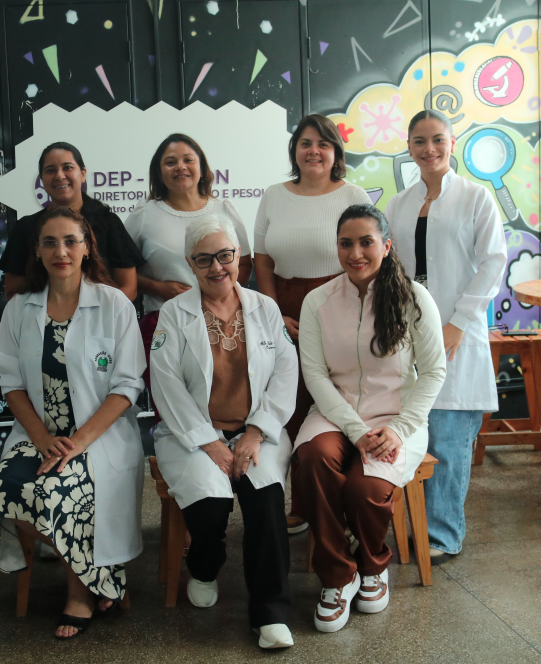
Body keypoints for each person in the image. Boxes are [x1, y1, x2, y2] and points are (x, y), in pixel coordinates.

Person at [0, 206, 145, 640]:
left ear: (87, 247)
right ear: (36, 251)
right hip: (38, 434)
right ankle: (100, 574)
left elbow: (127, 385)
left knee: (60, 492)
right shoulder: (20, 308)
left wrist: (78, 442)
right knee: (7, 491)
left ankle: (79, 594)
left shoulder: (113, 303)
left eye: (71, 241)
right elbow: (10, 382)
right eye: (50, 242)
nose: (61, 251)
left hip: (97, 436)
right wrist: (41, 437)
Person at [294, 204, 445, 633]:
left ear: (386, 245)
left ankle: (373, 566)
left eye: (366, 242)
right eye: (346, 243)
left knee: (366, 490)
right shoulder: (318, 301)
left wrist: (399, 429)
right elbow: (315, 375)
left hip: (397, 417)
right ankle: (338, 577)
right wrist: (356, 430)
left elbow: (434, 371)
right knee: (313, 459)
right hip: (335, 413)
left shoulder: (414, 298)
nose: (355, 253)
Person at [150, 217, 298, 649]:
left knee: (266, 502)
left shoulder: (264, 308)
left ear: (238, 258)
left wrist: (256, 432)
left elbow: (285, 374)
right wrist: (210, 443)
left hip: (256, 432)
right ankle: (204, 566)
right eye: (204, 259)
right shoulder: (175, 313)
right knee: (210, 503)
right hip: (194, 435)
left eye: (224, 256)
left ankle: (271, 614)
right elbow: (166, 384)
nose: (216, 267)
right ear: (189, 263)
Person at [386, 110, 507, 564]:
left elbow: (493, 262)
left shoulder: (476, 198)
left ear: (452, 143)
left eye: (438, 139)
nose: (429, 149)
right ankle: (412, 525)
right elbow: (392, 267)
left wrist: (459, 321)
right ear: (409, 147)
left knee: (450, 438)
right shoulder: (399, 204)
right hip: (408, 332)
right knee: (410, 433)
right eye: (419, 141)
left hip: (458, 331)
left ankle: (443, 533)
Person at [253, 114, 372, 535]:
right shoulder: (273, 195)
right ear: (295, 151)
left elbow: (365, 259)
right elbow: (262, 260)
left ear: (336, 152)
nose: (314, 151)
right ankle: (297, 502)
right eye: (305, 143)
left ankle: (347, 497)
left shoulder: (353, 195)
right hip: (282, 306)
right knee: (289, 402)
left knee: (336, 399)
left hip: (338, 304)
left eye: (323, 144)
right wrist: (273, 313)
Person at [125, 133, 252, 401]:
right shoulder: (144, 214)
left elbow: (244, 263)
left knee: (224, 403)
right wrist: (157, 287)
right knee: (172, 405)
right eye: (170, 162)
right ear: (159, 173)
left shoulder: (224, 209)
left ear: (202, 168)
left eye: (188, 160)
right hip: (162, 322)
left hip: (223, 324)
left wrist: (218, 296)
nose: (180, 167)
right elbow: (119, 271)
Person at [0, 142, 144, 300]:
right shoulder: (25, 228)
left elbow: (129, 287)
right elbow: (13, 292)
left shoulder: (108, 223)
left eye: (67, 167)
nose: (59, 176)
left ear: (83, 174)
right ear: (42, 179)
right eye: (50, 170)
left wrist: (96, 313)